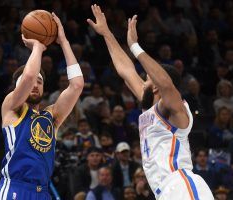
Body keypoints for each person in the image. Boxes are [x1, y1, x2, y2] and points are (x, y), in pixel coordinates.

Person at [87, 4, 214, 200]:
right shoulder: (151, 109)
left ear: (155, 86)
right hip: (162, 191)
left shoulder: (174, 110)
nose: (142, 81)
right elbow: (126, 71)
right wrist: (106, 33)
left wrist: (136, 47)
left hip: (181, 184)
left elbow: (166, 83)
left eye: (146, 78)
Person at [0, 12, 84, 200]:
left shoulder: (52, 117)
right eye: (33, 80)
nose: (35, 84)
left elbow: (77, 85)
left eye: (40, 81)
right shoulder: (11, 106)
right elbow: (27, 77)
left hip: (42, 192)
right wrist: (38, 47)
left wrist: (64, 41)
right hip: (14, 188)